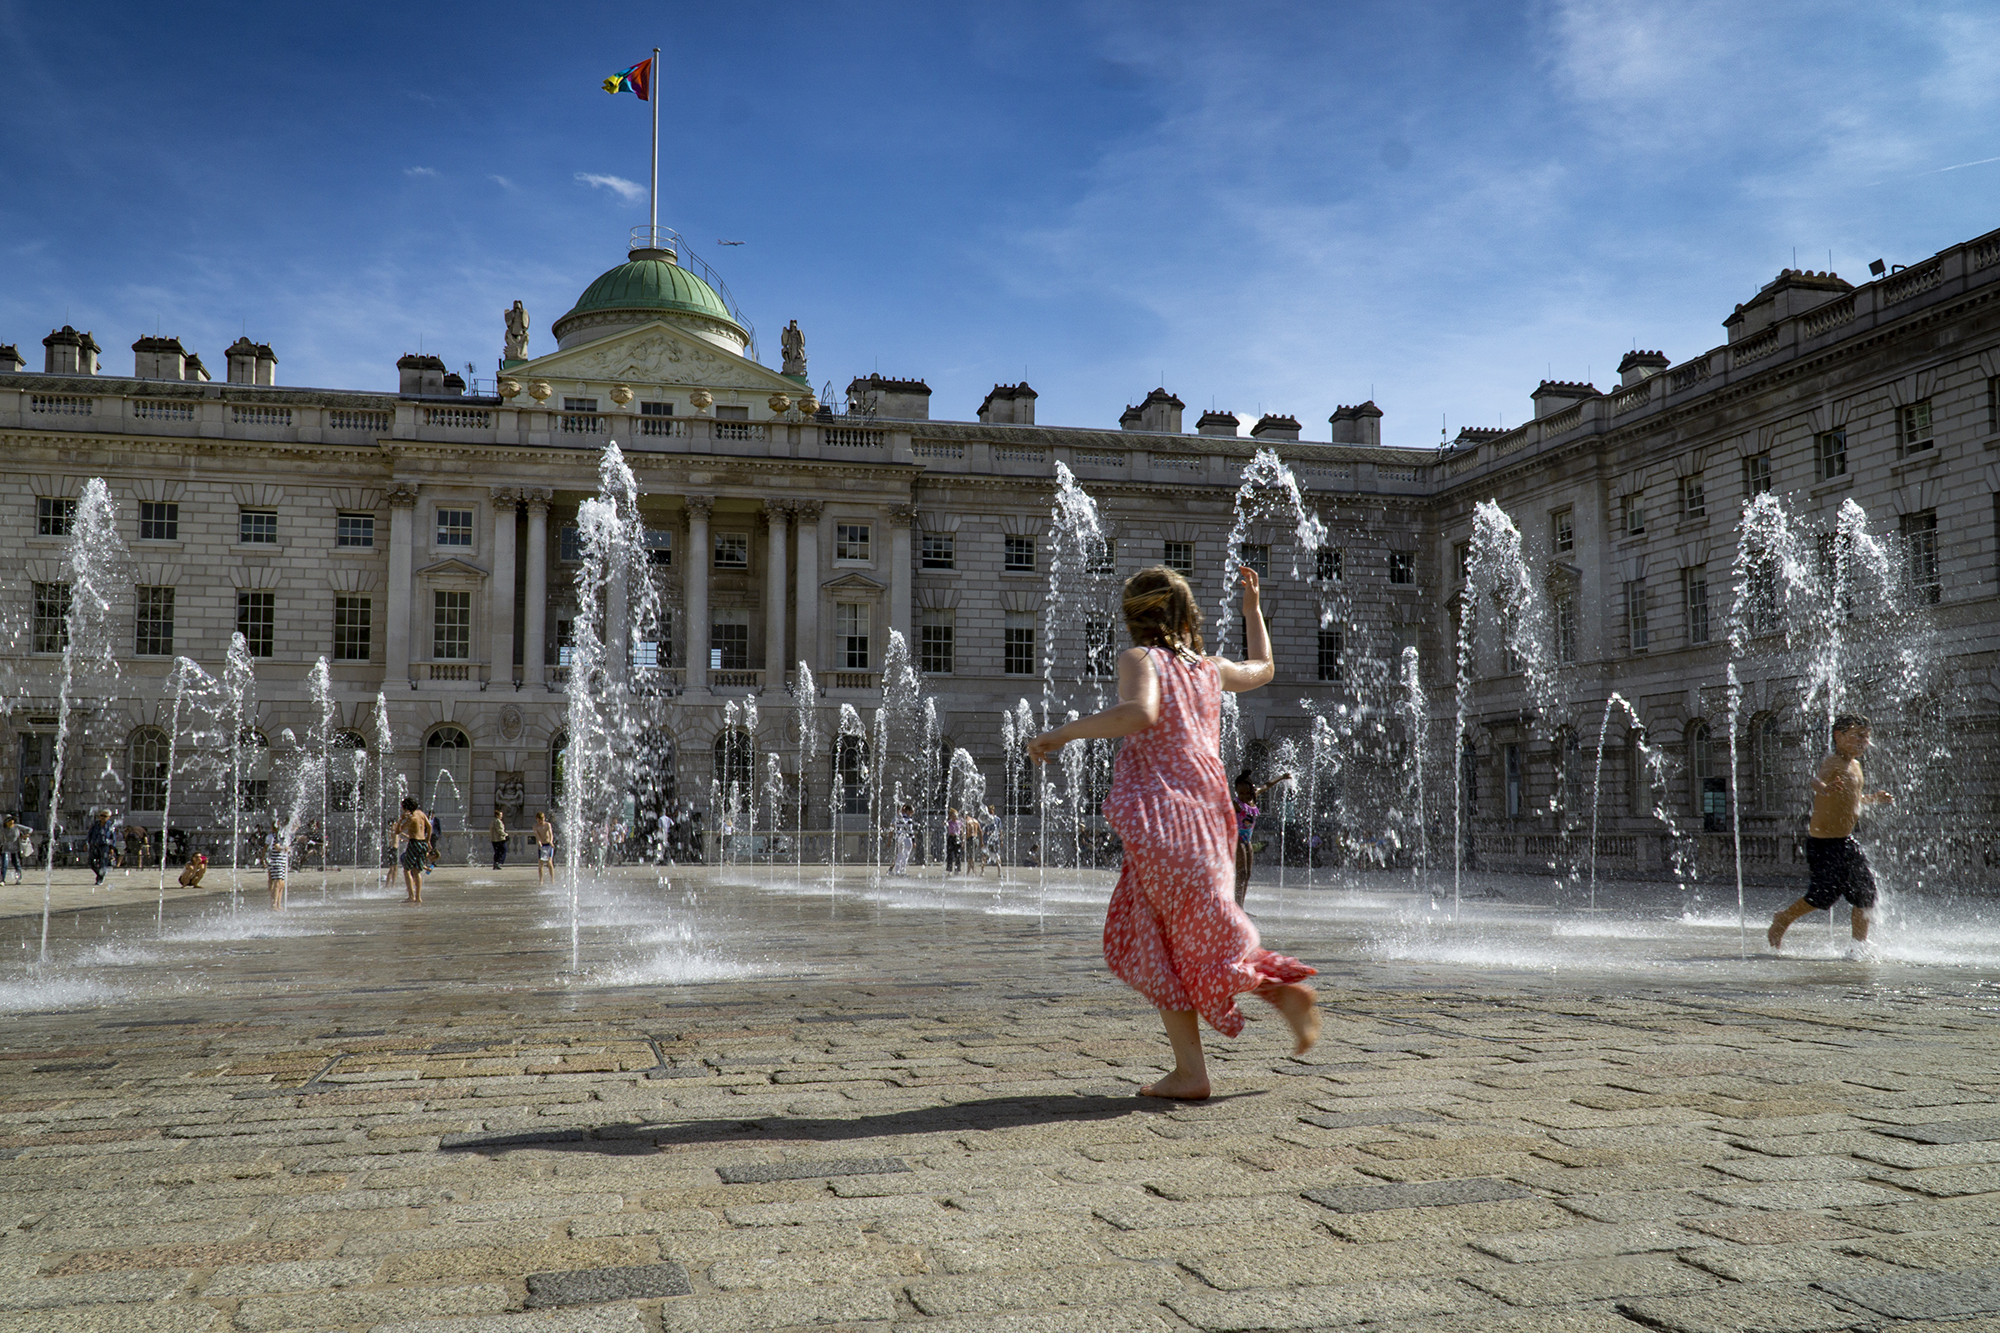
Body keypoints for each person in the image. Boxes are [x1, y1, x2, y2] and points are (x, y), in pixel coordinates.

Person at [1028, 564, 1318, 1100]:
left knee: (1165, 933)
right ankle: (1202, 1059)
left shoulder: (1142, 658)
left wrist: (1063, 734)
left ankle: (1263, 997)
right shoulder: (1210, 668)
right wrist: (1253, 611)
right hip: (1209, 811)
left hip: (1164, 812)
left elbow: (1140, 712)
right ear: (1187, 613)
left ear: (1136, 617)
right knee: (1170, 929)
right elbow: (1264, 668)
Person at [1769, 714, 1892, 957]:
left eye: (1866, 737)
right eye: (1858, 736)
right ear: (1839, 736)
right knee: (1823, 895)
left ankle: (1859, 945)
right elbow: (1816, 781)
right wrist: (1824, 789)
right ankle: (1783, 919)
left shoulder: (1856, 766)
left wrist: (1873, 799)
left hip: (1846, 841)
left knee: (1866, 892)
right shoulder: (1833, 762)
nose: (1863, 741)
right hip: (1824, 844)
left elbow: (1854, 799)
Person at [1231, 771, 1293, 907]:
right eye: (1240, 794)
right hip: (1238, 840)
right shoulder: (1236, 803)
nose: (1244, 797)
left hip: (1247, 841)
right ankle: (1236, 906)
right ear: (1236, 792)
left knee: (1247, 874)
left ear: (1252, 790)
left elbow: (1267, 785)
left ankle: (1240, 905)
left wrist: (1282, 777)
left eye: (1246, 793)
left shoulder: (1254, 796)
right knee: (1241, 873)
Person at [394, 797, 431, 903]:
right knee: (417, 871)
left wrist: (401, 819)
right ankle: (418, 897)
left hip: (414, 843)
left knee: (407, 870)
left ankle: (411, 896)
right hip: (422, 843)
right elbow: (429, 826)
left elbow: (397, 831)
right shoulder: (421, 813)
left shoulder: (411, 819)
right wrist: (427, 841)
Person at [86, 811, 115, 886]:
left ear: (108, 817)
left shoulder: (110, 825)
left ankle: (100, 879)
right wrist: (87, 842)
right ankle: (100, 874)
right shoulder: (95, 824)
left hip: (104, 845)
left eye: (104, 816)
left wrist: (112, 848)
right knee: (91, 862)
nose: (102, 817)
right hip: (94, 844)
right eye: (101, 815)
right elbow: (90, 833)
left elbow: (112, 837)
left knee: (103, 863)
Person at [266, 824, 289, 909]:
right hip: (276, 862)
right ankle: (274, 905)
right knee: (277, 883)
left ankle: (278, 905)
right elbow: (276, 846)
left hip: (281, 862)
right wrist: (284, 849)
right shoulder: (279, 834)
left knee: (281, 884)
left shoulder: (285, 834)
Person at [980, 804, 1005, 876]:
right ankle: (982, 871)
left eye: (992, 811)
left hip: (995, 840)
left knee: (997, 855)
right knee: (984, 855)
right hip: (987, 839)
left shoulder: (997, 819)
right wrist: (984, 837)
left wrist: (1001, 840)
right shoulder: (985, 819)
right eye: (989, 811)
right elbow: (982, 830)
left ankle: (999, 872)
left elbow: (1000, 830)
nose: (991, 813)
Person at [534, 810, 555, 884]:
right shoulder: (536, 827)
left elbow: (550, 834)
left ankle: (552, 879)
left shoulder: (547, 825)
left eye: (542, 820)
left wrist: (551, 841)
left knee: (549, 862)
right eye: (539, 820)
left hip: (548, 844)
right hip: (542, 845)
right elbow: (537, 836)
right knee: (541, 863)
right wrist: (539, 843)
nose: (541, 822)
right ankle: (541, 880)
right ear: (537, 819)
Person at [892, 803, 914, 874]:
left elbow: (896, 829)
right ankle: (902, 870)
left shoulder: (899, 819)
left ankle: (897, 871)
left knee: (899, 855)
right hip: (907, 839)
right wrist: (913, 840)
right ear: (908, 811)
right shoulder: (908, 819)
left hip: (900, 838)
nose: (912, 813)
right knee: (906, 855)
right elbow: (910, 831)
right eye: (911, 812)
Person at [0, 816, 22, 884]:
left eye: (12, 820)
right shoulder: (3, 829)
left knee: (16, 863)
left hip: (15, 848)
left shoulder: (16, 827)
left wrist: (25, 835)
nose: (11, 822)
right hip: (5, 848)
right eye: (9, 821)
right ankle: (2, 879)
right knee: (4, 864)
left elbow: (30, 829)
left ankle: (18, 879)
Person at [944, 808, 962, 874]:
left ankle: (957, 869)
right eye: (953, 815)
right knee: (950, 854)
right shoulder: (949, 822)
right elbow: (944, 824)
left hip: (957, 838)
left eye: (955, 815)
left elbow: (962, 830)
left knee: (958, 854)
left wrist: (962, 840)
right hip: (951, 838)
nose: (955, 817)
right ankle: (949, 869)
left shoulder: (959, 822)